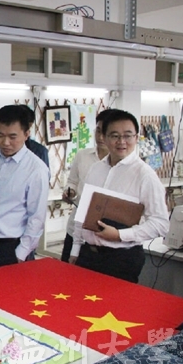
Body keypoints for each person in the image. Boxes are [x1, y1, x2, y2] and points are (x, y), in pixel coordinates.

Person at [69, 109, 169, 283]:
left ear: (136, 138)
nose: (121, 141)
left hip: (121, 258)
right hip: (88, 254)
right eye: (114, 136)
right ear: (104, 137)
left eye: (128, 136)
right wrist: (75, 249)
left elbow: (161, 224)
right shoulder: (96, 169)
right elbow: (83, 212)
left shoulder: (145, 175)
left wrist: (120, 235)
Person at [0, 104, 49, 269]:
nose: (5, 142)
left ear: (26, 134)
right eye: (0, 135)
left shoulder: (36, 169)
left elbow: (37, 217)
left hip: (11, 248)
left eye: (12, 137)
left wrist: (21, 253)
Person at [60, 109, 113, 262]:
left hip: (105, 233)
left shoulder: (123, 165)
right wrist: (70, 192)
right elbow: (72, 182)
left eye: (106, 133)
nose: (100, 137)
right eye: (98, 131)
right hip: (76, 228)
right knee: (67, 271)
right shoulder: (82, 155)